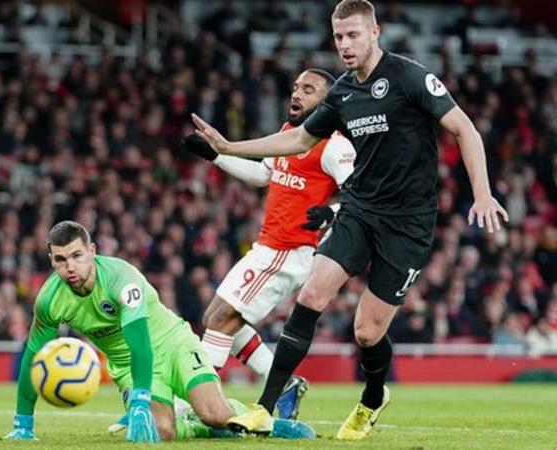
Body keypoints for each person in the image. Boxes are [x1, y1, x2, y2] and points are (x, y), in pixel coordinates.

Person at [191, 0, 508, 440]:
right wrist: (227, 147)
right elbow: (298, 138)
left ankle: (373, 398)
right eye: (339, 36)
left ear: (375, 32)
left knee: (366, 331)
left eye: (354, 35)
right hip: (360, 210)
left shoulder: (409, 76)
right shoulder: (342, 93)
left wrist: (483, 193)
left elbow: (465, 129)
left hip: (408, 223)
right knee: (312, 294)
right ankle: (265, 407)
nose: (345, 44)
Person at [3, 221, 315, 442]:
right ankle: (193, 426)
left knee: (216, 414)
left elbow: (141, 344)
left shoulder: (121, 279)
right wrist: (23, 424)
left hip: (172, 344)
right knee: (161, 432)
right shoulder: (49, 300)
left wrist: (139, 402)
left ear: (92, 251)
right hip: (128, 367)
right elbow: (34, 358)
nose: (69, 267)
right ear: (51, 261)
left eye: (76, 256)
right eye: (60, 260)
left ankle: (262, 421)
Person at [183, 69, 355, 421]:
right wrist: (215, 156)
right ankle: (285, 382)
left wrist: (331, 213)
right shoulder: (290, 135)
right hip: (267, 247)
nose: (297, 93)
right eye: (296, 87)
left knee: (219, 321)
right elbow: (264, 175)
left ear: (328, 100)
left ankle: (197, 406)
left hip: (289, 251)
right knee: (214, 316)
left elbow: (361, 193)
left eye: (309, 89)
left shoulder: (335, 145)